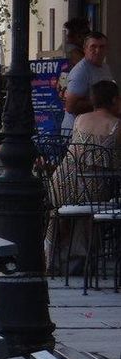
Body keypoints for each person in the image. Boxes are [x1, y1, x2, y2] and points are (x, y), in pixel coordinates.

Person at [46, 79, 121, 274]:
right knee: (93, 205)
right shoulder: (116, 126)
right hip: (93, 188)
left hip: (61, 182)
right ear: (115, 100)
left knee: (69, 211)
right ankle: (79, 260)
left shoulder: (79, 120)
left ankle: (54, 259)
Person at [63, 32, 111, 132]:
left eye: (102, 47)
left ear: (106, 49)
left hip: (96, 130)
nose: (98, 51)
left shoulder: (105, 67)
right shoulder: (81, 71)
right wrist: (100, 103)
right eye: (93, 47)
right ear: (85, 49)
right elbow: (70, 107)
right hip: (78, 134)